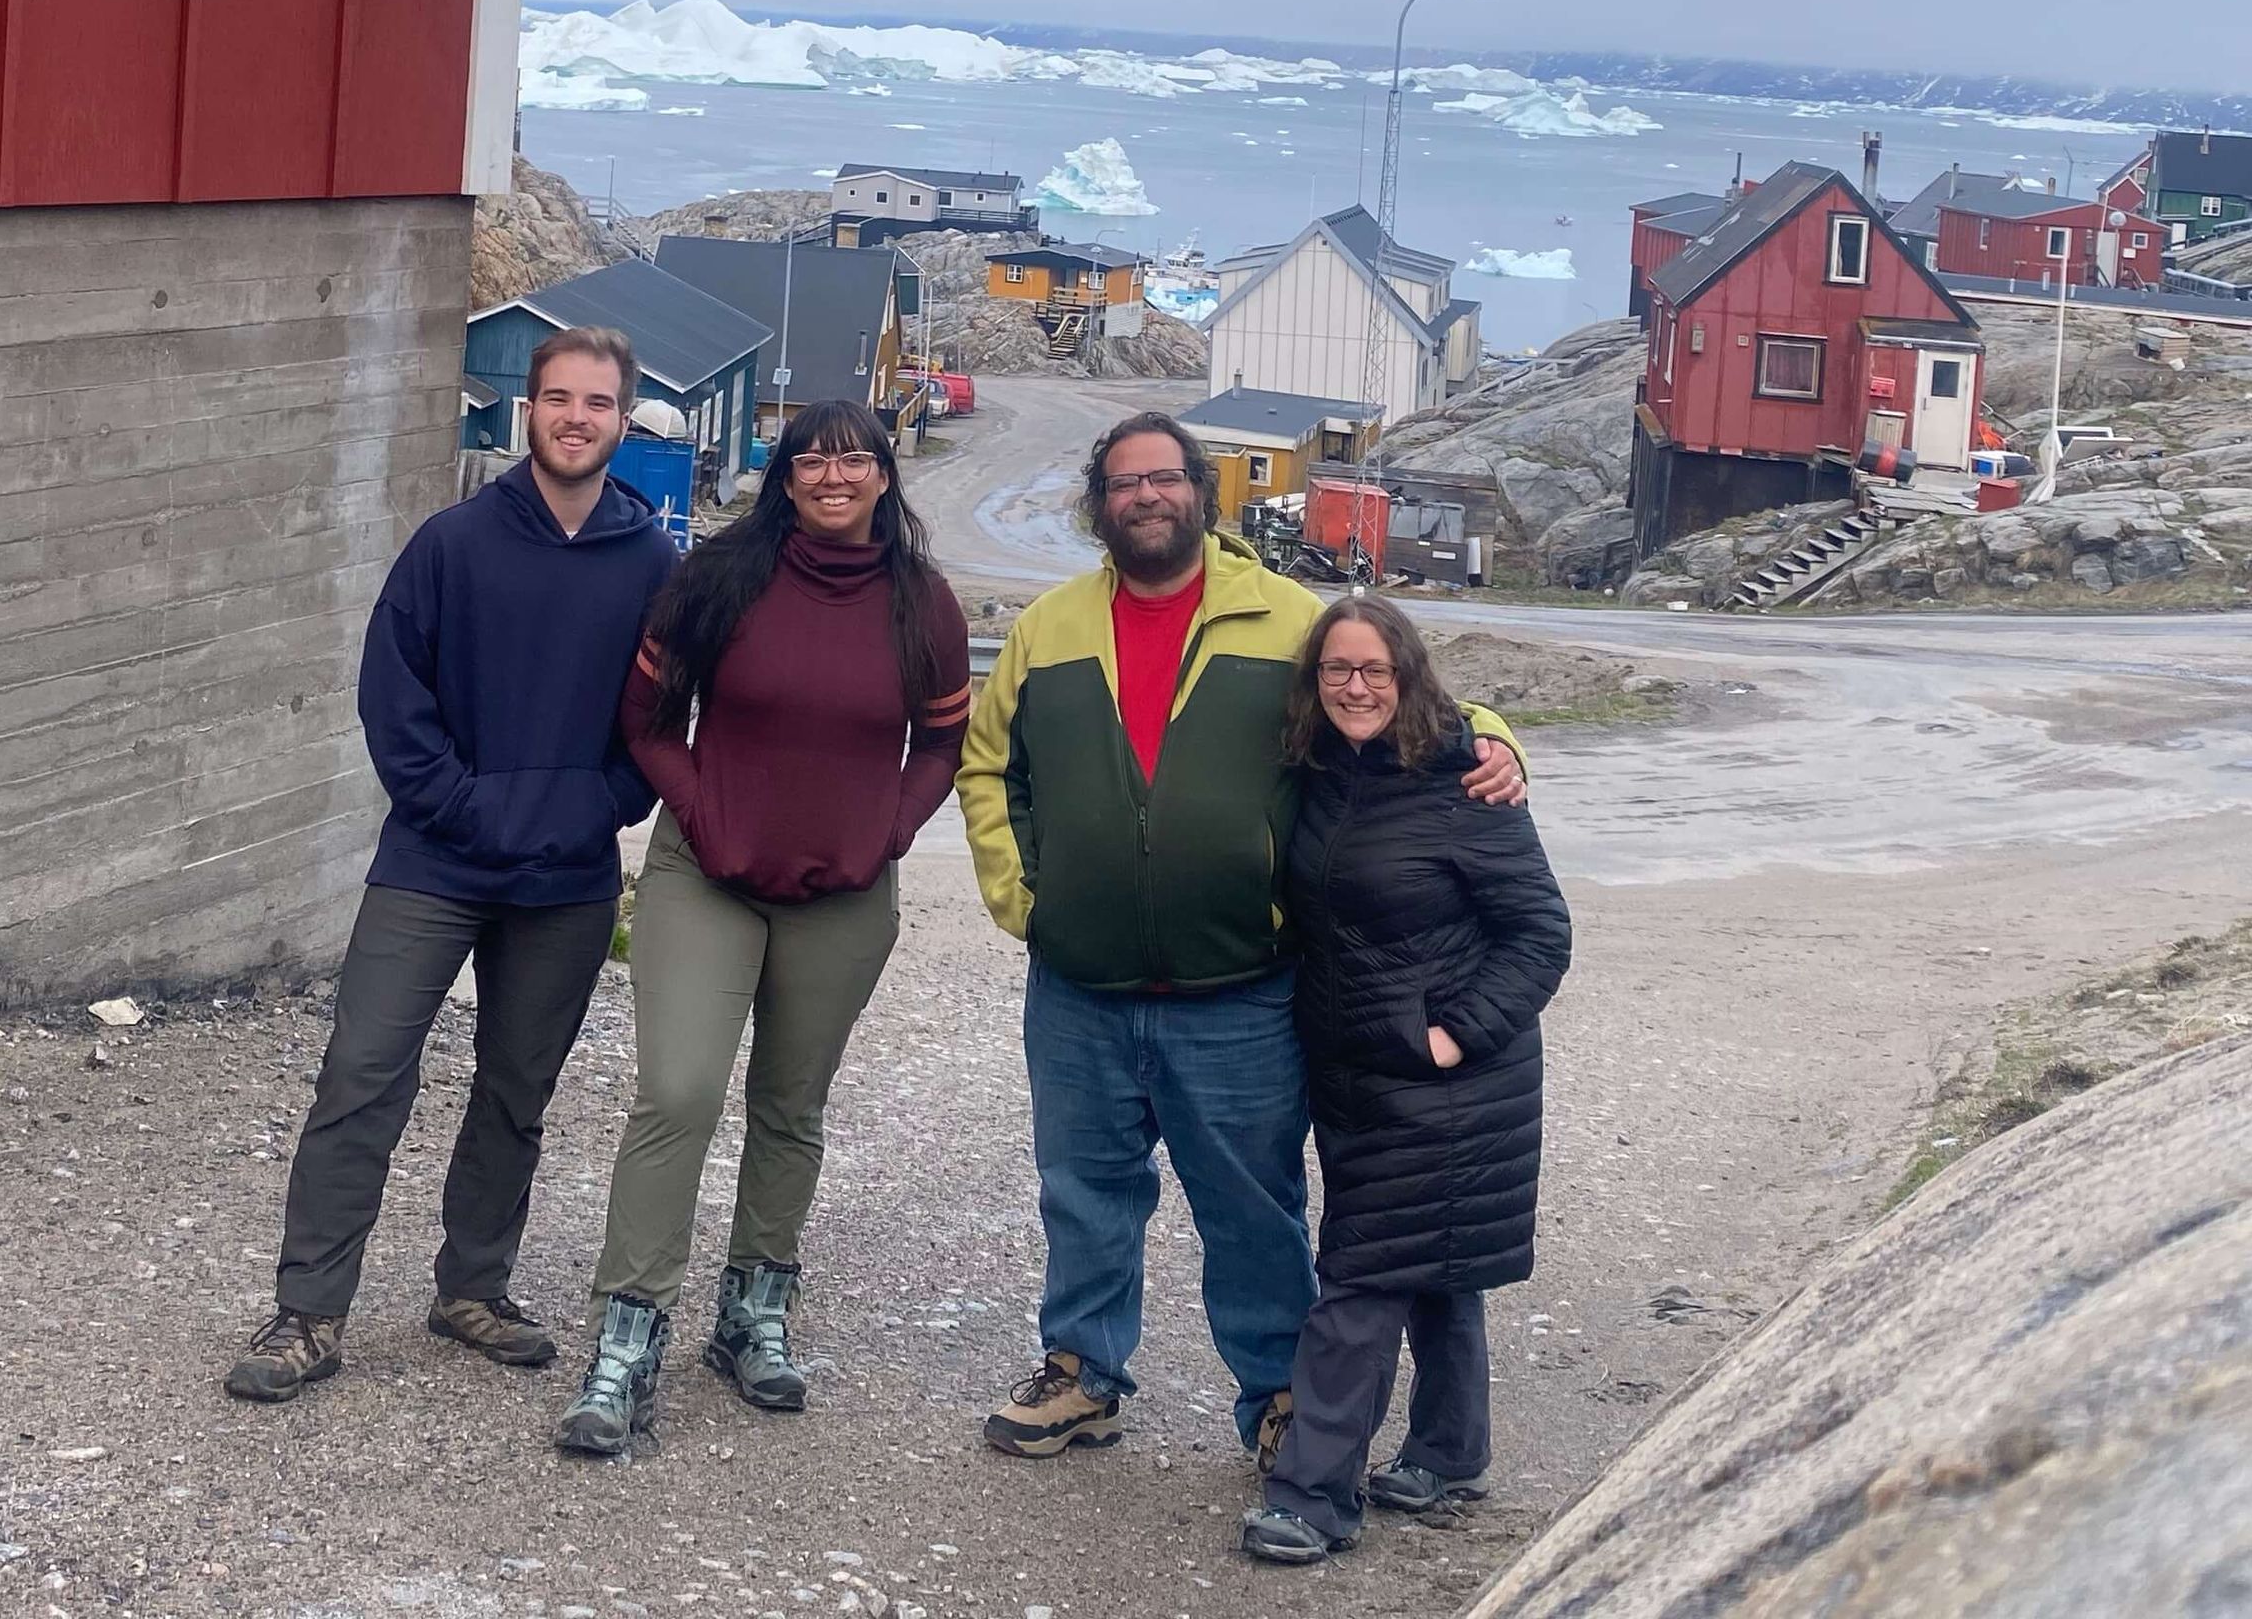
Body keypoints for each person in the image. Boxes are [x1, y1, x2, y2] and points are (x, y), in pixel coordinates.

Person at [955, 412, 1527, 1470]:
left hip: (1239, 990)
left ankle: (1277, 1394)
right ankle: (1082, 1372)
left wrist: (1488, 735)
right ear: (1101, 502)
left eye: (1165, 479)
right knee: (1083, 1191)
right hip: (1079, 985)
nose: (1147, 498)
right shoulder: (1050, 626)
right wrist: (1022, 896)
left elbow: (1393, 689)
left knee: (1253, 1208)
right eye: (1125, 483)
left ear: (1199, 495)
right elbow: (990, 767)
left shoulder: (1287, 619)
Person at [225, 327, 678, 1403]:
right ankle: (309, 1313)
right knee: (360, 1076)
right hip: (433, 863)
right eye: (557, 397)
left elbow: (659, 724)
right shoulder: (452, 544)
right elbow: (395, 701)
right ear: (529, 411)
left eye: (598, 402)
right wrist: (470, 809)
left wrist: (593, 812)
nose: (577, 417)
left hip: (564, 879)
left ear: (625, 419)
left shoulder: (655, 567)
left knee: (517, 1090)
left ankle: (472, 1287)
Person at [552, 397, 974, 1454]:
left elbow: (940, 746)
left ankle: (754, 1313)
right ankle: (627, 1334)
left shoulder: (923, 605)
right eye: (812, 464)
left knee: (791, 1106)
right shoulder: (717, 581)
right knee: (679, 1092)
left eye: (855, 463)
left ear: (885, 477)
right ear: (784, 479)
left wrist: (888, 832)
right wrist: (702, 809)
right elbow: (646, 721)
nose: (834, 480)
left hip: (842, 893)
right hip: (709, 876)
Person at [1239, 595, 1571, 1565]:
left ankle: (1312, 1496)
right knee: (1438, 1264)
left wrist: (1454, 1037)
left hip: (1448, 1083)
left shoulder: (1466, 779)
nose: (1354, 688)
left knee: (1363, 1276)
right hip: (1354, 1073)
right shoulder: (1320, 774)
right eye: (1336, 671)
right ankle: (1450, 1452)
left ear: (1409, 677)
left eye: (1374, 672)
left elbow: (1541, 932)